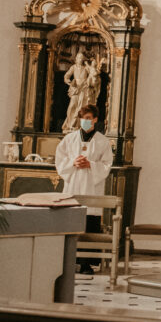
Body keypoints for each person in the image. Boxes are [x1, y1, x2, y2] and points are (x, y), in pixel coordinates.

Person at [54, 104, 114, 272]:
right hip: (73, 182)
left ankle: (87, 262)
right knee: (71, 221)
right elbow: (60, 159)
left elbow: (106, 164)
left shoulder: (102, 141)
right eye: (82, 118)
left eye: (88, 118)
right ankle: (69, 261)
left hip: (91, 185)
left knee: (89, 222)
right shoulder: (70, 139)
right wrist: (73, 162)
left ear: (95, 119)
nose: (85, 121)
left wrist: (91, 164)